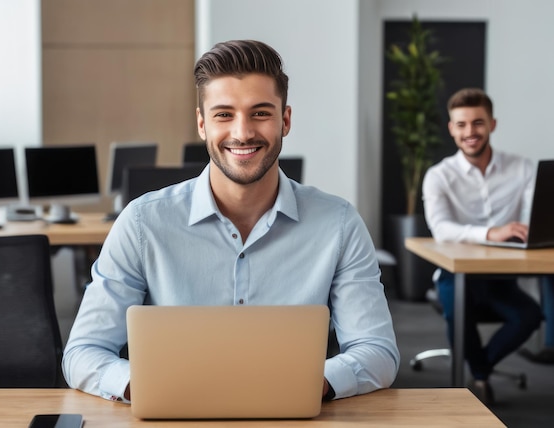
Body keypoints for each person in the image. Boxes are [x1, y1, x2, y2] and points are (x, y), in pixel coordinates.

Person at [62, 39, 399, 402]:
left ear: (284, 121)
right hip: (175, 417)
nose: (242, 133)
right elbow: (83, 353)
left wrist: (305, 383)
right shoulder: (142, 223)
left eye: (260, 113)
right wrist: (153, 385)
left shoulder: (339, 224)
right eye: (224, 114)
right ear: (202, 124)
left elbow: (377, 352)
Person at [422, 87, 543, 404]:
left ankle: (479, 371)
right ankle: (479, 378)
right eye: (461, 125)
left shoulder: (522, 168)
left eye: (478, 123)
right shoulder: (439, 176)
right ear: (451, 129)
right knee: (458, 310)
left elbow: (536, 217)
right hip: (455, 275)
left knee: (530, 316)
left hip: (502, 277)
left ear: (492, 124)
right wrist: (492, 233)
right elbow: (441, 229)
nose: (470, 132)